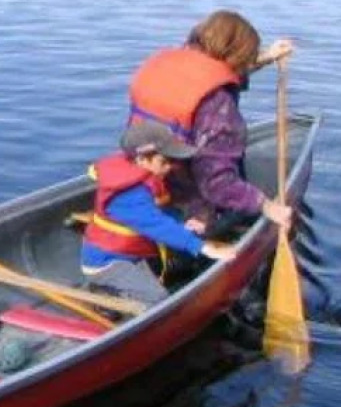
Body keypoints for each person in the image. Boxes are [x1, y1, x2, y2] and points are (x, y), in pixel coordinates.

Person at [127, 9, 294, 232]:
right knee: (227, 209)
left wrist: (265, 57)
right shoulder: (218, 104)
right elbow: (217, 183)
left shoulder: (167, 62)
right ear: (238, 56)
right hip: (186, 197)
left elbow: (213, 73)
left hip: (140, 177)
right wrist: (266, 205)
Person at [80, 122, 239, 304]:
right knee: (157, 299)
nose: (169, 167)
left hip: (133, 253)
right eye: (164, 161)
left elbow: (160, 213)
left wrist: (183, 225)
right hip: (108, 264)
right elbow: (156, 225)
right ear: (142, 160)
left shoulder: (147, 179)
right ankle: (103, 294)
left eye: (171, 161)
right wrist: (202, 247)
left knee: (182, 258)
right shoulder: (127, 195)